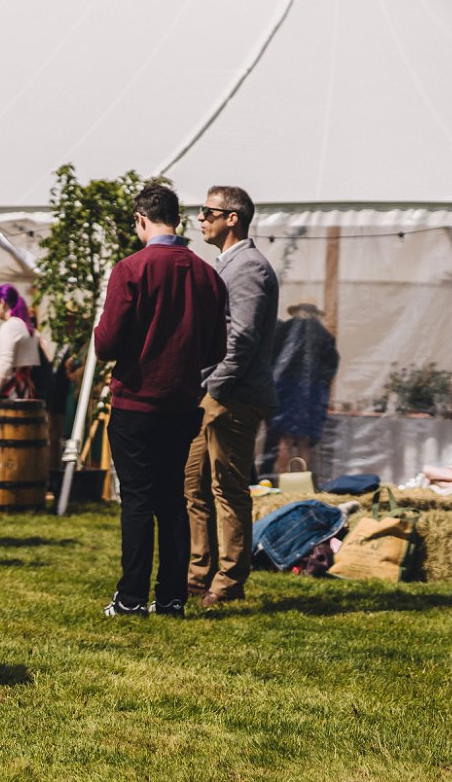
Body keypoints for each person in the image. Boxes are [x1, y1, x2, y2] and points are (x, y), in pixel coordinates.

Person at [93, 183, 226, 619]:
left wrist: (102, 336)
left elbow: (109, 341)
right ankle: (171, 598)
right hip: (182, 403)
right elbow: (217, 350)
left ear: (141, 220)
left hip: (135, 401)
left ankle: (131, 598)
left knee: (136, 501)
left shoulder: (131, 269)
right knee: (173, 501)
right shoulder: (207, 274)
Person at [185, 186, 280, 609]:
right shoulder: (226, 264)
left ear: (232, 218)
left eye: (208, 211)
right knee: (193, 484)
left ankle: (229, 579)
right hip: (211, 391)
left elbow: (241, 339)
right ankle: (196, 572)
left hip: (233, 395)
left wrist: (213, 388)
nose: (200, 218)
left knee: (227, 487)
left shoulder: (249, 268)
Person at [268, 303, 339, 475]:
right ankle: (300, 483)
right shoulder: (323, 334)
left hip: (285, 389)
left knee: (284, 439)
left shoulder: (284, 330)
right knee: (304, 442)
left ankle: (282, 480)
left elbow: (271, 357)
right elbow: (331, 365)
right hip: (312, 392)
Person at [0, 283, 39, 400]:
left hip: (10, 389)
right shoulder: (24, 325)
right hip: (24, 387)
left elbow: (6, 363)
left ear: (2, 303)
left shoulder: (10, 326)